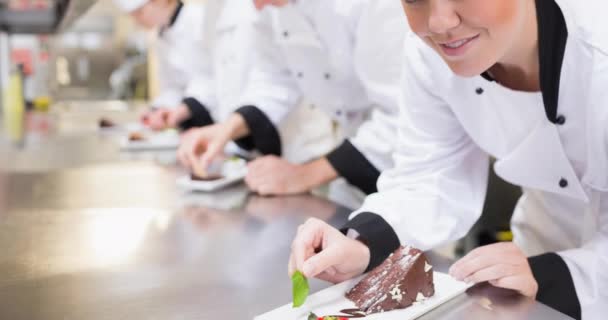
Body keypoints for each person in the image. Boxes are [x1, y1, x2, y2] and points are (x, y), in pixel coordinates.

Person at [287, 0, 608, 319]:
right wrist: (361, 243)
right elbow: (431, 176)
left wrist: (556, 276)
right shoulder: (431, 53)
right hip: (532, 263)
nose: (439, 23)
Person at [177, 0, 407, 197]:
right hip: (355, 147)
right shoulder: (269, 10)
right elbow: (274, 78)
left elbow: (403, 114)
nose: (256, 6)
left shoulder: (371, 5)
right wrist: (225, 130)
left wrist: (305, 175)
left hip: (406, 161)